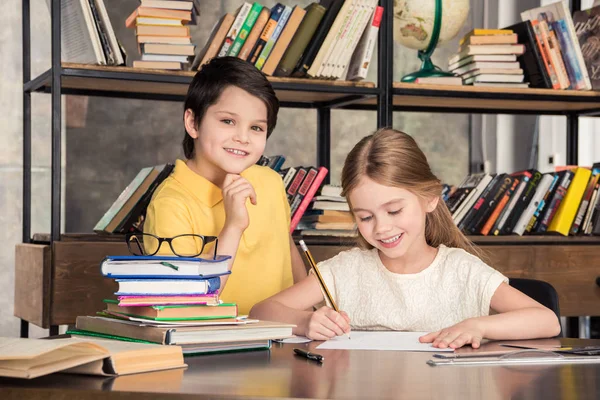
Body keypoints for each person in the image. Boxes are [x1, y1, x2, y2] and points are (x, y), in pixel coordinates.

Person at [250, 128, 561, 349]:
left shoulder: (461, 270)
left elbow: (546, 321)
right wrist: (305, 323)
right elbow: (261, 312)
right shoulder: (346, 270)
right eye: (366, 217)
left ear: (429, 199)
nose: (382, 228)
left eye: (394, 211)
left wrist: (478, 326)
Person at [143, 57, 307, 315]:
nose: (242, 137)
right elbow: (182, 305)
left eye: (256, 127)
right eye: (228, 121)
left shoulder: (270, 182)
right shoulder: (170, 204)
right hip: (211, 344)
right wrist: (233, 226)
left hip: (284, 337)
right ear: (193, 123)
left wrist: (317, 310)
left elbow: (289, 256)